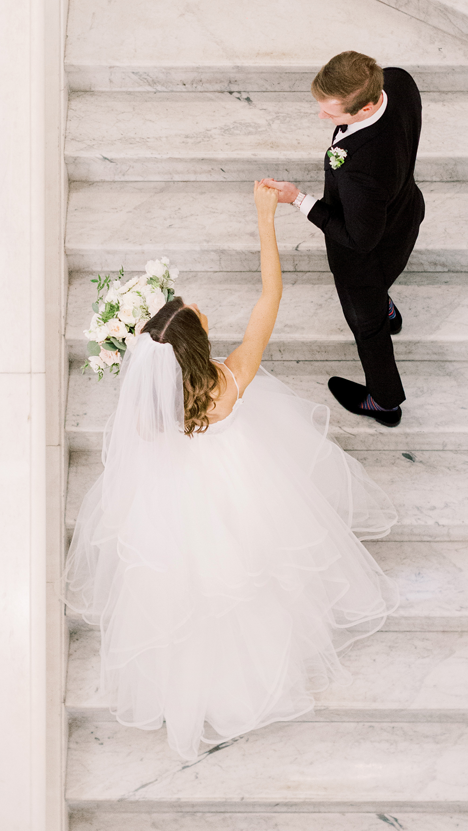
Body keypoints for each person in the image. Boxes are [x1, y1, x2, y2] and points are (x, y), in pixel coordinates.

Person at [64, 182, 398, 761]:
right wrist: (265, 218)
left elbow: (147, 419)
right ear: (198, 343)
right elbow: (272, 294)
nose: (196, 306)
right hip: (241, 483)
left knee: (192, 587)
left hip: (176, 499)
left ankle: (201, 682)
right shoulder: (231, 380)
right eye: (194, 311)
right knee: (256, 571)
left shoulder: (152, 408)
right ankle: (253, 671)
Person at [263, 51, 425, 428]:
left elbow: (359, 238)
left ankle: (384, 401)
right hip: (404, 214)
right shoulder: (399, 81)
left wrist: (298, 199)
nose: (323, 117)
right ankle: (386, 307)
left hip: (365, 256)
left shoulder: (361, 170)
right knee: (382, 287)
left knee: (367, 328)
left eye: (333, 113)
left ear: (366, 106)